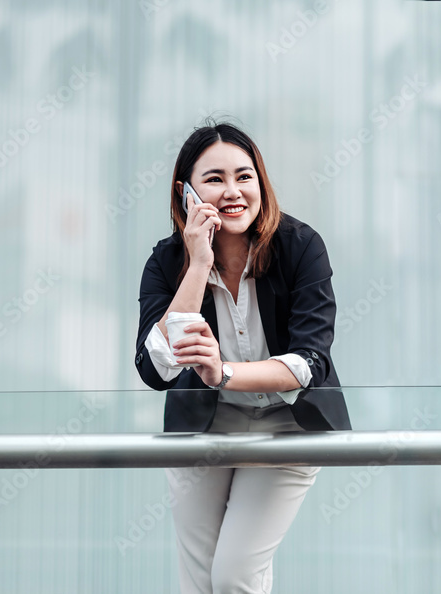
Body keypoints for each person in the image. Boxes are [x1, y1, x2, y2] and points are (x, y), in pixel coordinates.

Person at [134, 119, 351, 593]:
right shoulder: (168, 262)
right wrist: (198, 265)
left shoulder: (300, 247)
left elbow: (309, 363)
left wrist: (222, 371)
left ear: (261, 181)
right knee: (199, 581)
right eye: (214, 179)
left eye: (244, 175)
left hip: (289, 425)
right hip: (203, 425)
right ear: (186, 193)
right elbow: (156, 368)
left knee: (234, 576)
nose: (233, 191)